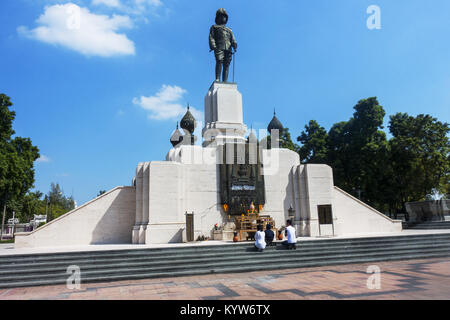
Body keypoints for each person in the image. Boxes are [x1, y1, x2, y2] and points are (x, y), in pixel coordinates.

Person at [209, 8, 237, 82]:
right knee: (219, 61)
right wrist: (213, 46)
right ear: (217, 18)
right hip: (219, 47)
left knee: (226, 64)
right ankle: (217, 78)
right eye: (221, 16)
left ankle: (225, 80)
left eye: (224, 16)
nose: (223, 18)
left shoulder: (229, 30)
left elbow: (232, 38)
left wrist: (234, 44)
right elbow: (211, 37)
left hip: (228, 48)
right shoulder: (214, 27)